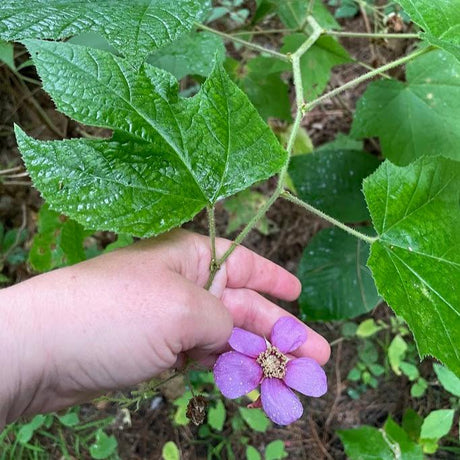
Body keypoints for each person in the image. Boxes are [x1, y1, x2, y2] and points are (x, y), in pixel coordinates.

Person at [0, 229, 330, 430]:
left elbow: (284, 353)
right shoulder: (248, 347)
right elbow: (236, 341)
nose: (273, 360)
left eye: (275, 359)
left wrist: (34, 340)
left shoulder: (277, 361)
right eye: (274, 357)